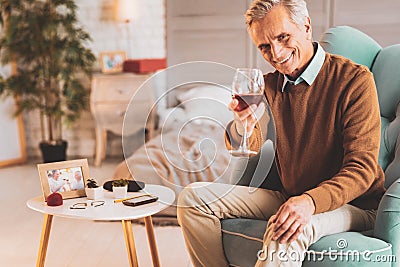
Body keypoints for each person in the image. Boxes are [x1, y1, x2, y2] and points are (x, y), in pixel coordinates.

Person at [177, 0, 386, 266]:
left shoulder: (354, 80)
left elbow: (362, 169)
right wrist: (243, 124)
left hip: (356, 204)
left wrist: (309, 202)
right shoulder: (267, 86)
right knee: (193, 199)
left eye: (283, 37)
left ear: (306, 27)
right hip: (292, 196)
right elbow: (248, 147)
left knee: (286, 227)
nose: (275, 53)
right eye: (264, 46)